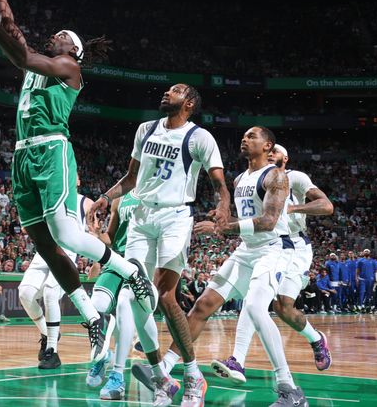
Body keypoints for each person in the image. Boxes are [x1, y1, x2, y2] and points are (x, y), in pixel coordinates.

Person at [0, 0, 155, 362]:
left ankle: (130, 271)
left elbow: (19, 51)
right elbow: (12, 32)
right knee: (46, 248)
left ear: (75, 51)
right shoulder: (39, 64)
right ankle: (91, 318)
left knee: (68, 235)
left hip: (52, 150)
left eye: (64, 36)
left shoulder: (67, 67)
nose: (57, 36)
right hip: (22, 154)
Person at [88, 83, 230, 407]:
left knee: (166, 296)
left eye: (176, 91)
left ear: (189, 103)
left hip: (174, 217)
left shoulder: (199, 138)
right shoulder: (145, 129)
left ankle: (193, 376)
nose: (168, 93)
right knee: (138, 296)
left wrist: (223, 207)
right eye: (167, 90)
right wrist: (104, 198)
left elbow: (220, 183)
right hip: (141, 217)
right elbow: (131, 178)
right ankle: (162, 379)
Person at [158, 126, 308, 407]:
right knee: (202, 305)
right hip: (246, 250)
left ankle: (289, 388)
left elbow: (269, 222)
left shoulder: (276, 175)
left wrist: (223, 228)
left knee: (254, 307)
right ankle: (165, 369)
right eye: (243, 135)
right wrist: (222, 221)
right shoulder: (240, 179)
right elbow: (241, 223)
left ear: (267, 146)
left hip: (273, 248)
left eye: (252, 136)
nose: (244, 138)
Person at [212, 143, 334, 383]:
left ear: (285, 158)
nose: (271, 155)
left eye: (275, 152)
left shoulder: (295, 177)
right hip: (266, 244)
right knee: (254, 299)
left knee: (283, 307)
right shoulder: (250, 180)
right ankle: (238, 359)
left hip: (295, 246)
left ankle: (316, 339)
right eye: (269, 152)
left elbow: (327, 206)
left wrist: (292, 208)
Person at [18, 180, 92, 369]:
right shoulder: (48, 197)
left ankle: (52, 351)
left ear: (77, 180)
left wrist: (96, 260)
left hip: (67, 251)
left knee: (51, 292)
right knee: (25, 293)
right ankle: (47, 333)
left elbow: (96, 233)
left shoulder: (85, 202)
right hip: (45, 249)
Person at [85, 191, 137, 400]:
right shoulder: (121, 197)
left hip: (139, 261)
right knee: (95, 306)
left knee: (125, 309)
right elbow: (111, 237)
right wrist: (97, 233)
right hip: (117, 259)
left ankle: (118, 374)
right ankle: (102, 355)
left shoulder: (157, 191)